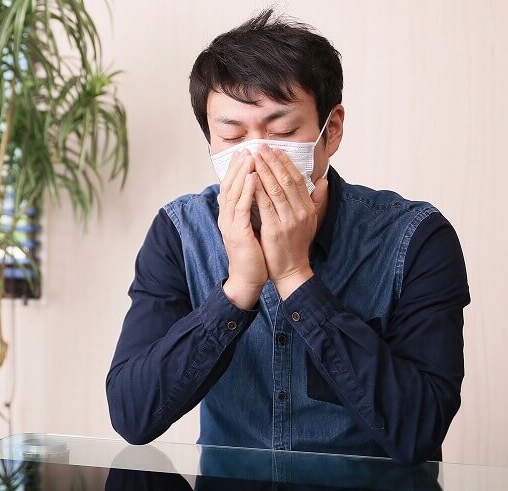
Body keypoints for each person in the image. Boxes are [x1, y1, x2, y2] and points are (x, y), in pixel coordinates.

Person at [105, 10, 470, 465]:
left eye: (281, 131)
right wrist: (238, 289)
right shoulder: (179, 233)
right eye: (232, 134)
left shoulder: (415, 239)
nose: (256, 154)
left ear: (330, 129)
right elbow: (132, 415)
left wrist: (298, 278)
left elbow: (419, 430)